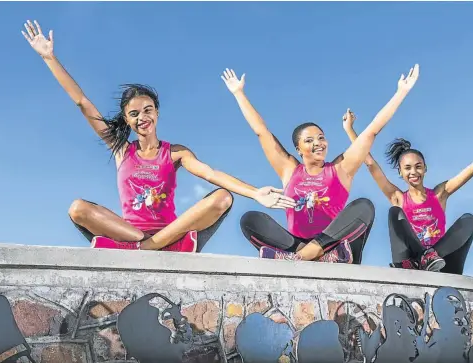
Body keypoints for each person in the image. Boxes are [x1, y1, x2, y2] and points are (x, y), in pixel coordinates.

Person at [21, 20, 295, 252]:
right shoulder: (122, 151)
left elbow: (211, 174)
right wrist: (49, 58)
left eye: (148, 110)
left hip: (171, 233)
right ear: (127, 120)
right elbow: (82, 102)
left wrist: (255, 193)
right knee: (77, 208)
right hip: (129, 232)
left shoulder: (175, 153)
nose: (143, 118)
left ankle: (149, 248)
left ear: (157, 113)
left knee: (222, 197)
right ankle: (141, 244)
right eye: (135, 114)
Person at [221, 65, 420, 264]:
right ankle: (308, 255)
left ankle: (305, 256)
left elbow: (371, 131)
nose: (318, 143)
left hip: (337, 246)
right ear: (298, 149)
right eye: (309, 141)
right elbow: (262, 132)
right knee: (250, 219)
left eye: (321, 138)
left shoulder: (340, 169)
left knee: (364, 207)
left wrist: (401, 92)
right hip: (297, 243)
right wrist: (239, 93)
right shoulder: (290, 169)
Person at [343, 109, 473, 273]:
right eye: (408, 168)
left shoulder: (439, 194)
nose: (413, 172)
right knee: (394, 212)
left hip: (439, 263)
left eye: (418, 167)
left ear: (425, 169)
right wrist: (350, 130)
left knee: (469, 220)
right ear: (401, 172)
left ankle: (429, 258)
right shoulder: (398, 198)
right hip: (410, 262)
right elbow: (370, 163)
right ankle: (418, 261)